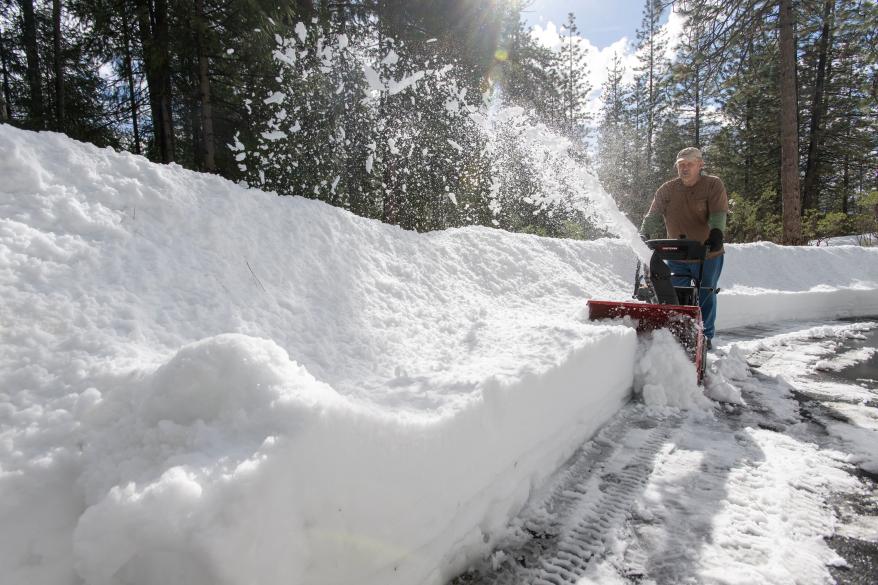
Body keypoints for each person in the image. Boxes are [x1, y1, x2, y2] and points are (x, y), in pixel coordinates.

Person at [640, 147, 729, 349]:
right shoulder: (668, 189)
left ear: (700, 165)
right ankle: (679, 333)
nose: (684, 168)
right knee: (675, 296)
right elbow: (653, 215)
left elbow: (718, 214)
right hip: (677, 254)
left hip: (707, 254)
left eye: (689, 164)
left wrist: (716, 233)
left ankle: (705, 338)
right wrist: (644, 234)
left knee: (705, 294)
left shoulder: (712, 185)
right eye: (681, 165)